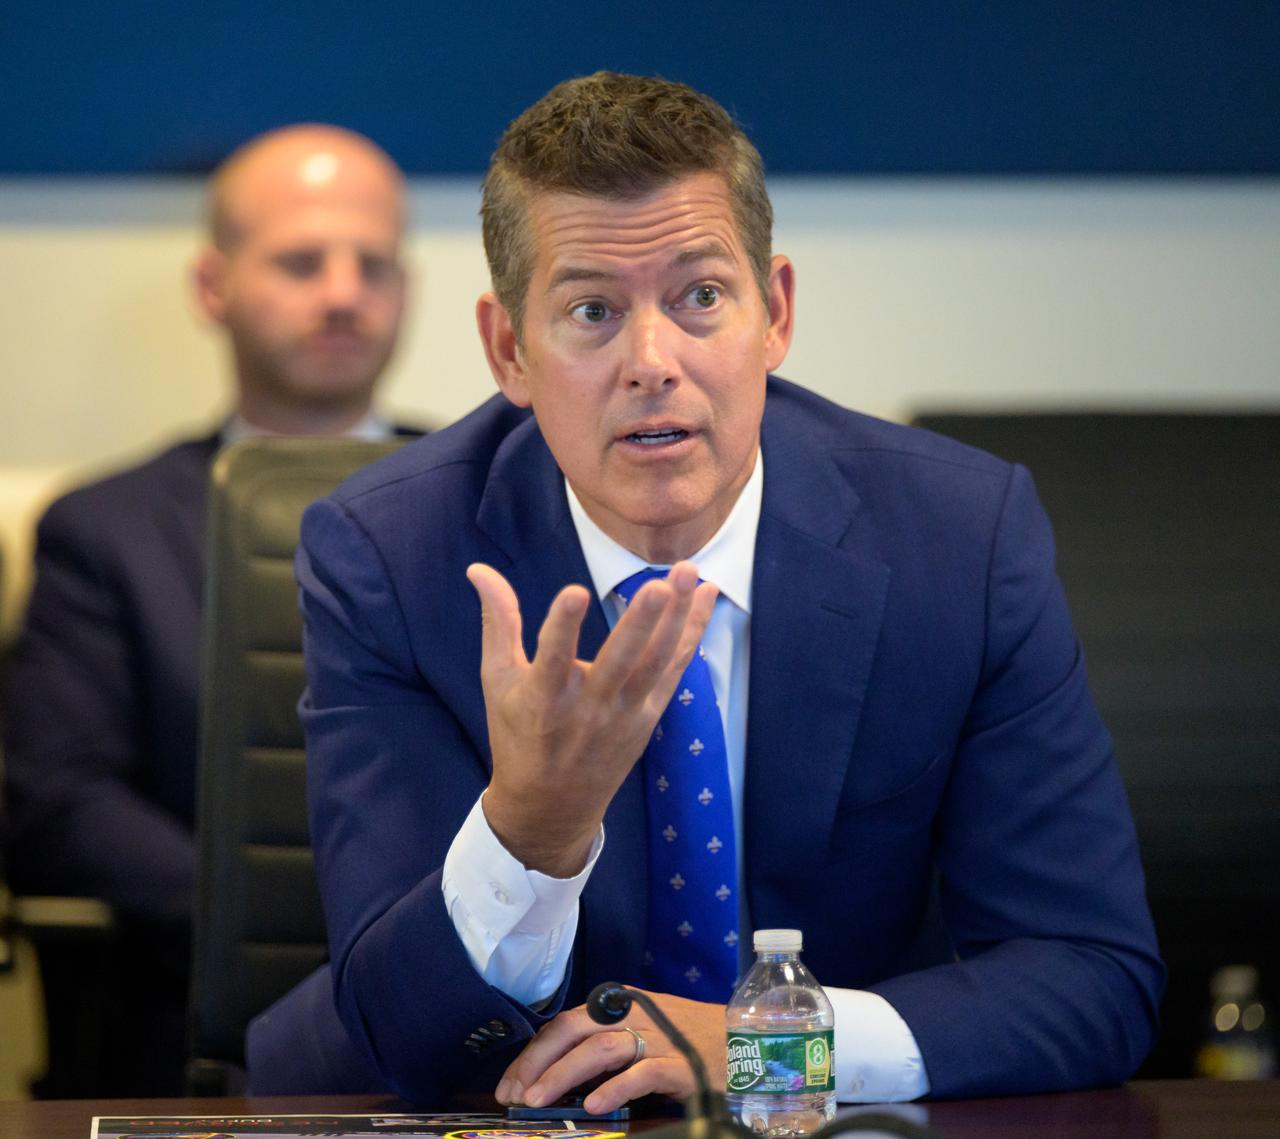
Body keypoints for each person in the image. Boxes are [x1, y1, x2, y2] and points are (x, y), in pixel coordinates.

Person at [294, 74, 1163, 1109]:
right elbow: (408, 1032)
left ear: (775, 312)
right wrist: (531, 829)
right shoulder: (388, 555)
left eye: (699, 296)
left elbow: (1091, 975)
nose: (652, 362)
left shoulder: (958, 541)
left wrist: (767, 1049)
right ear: (507, 351)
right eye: (591, 311)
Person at [1, 123, 418, 1094]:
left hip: (468, 1034)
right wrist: (288, 922)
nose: (343, 293)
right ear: (211, 285)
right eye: (302, 261)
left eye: (375, 264)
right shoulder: (103, 530)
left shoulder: (506, 497)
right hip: (186, 1037)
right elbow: (57, 803)